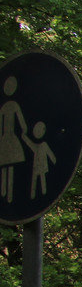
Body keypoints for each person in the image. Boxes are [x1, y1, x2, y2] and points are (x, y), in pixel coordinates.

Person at [0, 76, 27, 204]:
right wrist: (24, 129)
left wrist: (23, 129)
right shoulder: (7, 106)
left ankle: (7, 192)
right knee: (7, 163)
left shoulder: (10, 105)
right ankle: (5, 193)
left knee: (9, 163)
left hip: (9, 136)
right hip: (7, 137)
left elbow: (20, 119)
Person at [24, 120, 54, 199]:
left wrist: (54, 161)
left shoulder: (43, 145)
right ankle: (33, 196)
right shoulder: (36, 146)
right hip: (36, 166)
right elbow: (30, 145)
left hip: (42, 166)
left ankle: (43, 194)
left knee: (42, 179)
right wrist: (24, 138)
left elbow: (50, 154)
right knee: (34, 181)